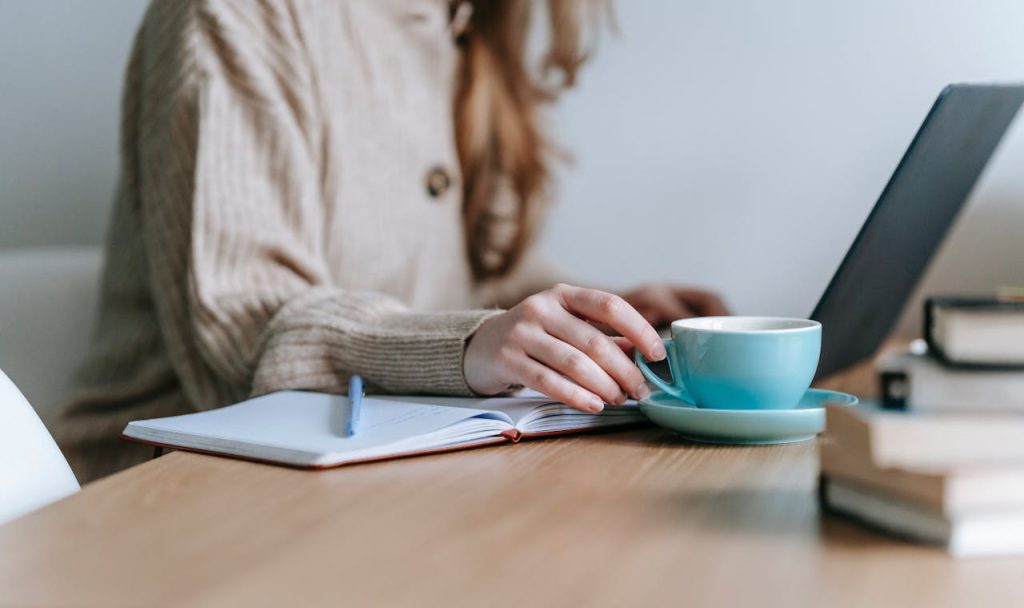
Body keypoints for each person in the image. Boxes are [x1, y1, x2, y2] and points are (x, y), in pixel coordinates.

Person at [57, 0, 727, 483]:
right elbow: (240, 335)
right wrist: (469, 345)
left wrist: (588, 320)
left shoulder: (460, 24)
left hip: (371, 479)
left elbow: (468, 275)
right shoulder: (235, 16)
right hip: (164, 495)